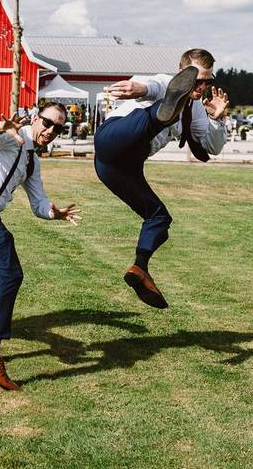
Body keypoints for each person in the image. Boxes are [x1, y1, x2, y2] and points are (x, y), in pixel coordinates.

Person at [0, 104, 81, 390]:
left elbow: (38, 202)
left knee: (4, 278)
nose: (51, 131)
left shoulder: (33, 159)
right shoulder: (12, 136)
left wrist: (52, 212)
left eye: (58, 128)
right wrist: (0, 127)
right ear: (36, 119)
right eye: (47, 123)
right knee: (10, 276)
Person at [94, 48, 230, 309]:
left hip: (124, 169)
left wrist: (217, 117)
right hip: (112, 141)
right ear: (182, 74)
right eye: (197, 80)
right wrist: (139, 88)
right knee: (152, 114)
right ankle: (163, 112)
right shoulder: (166, 82)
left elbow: (212, 148)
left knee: (159, 218)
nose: (202, 87)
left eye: (207, 81)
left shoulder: (198, 110)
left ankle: (140, 268)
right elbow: (152, 84)